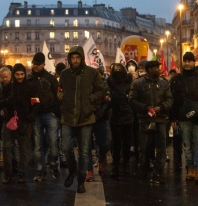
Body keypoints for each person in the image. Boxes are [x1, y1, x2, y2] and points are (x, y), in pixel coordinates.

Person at [59, 46, 107, 193]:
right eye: (72, 58)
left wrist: (90, 100)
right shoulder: (65, 74)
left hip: (86, 117)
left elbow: (102, 89)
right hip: (68, 116)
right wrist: (62, 98)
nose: (75, 60)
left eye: (77, 57)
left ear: (81, 58)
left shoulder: (91, 73)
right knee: (66, 147)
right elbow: (60, 90)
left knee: (85, 151)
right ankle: (73, 170)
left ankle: (81, 180)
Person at [129, 60, 174, 184]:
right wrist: (145, 108)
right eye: (156, 68)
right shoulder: (138, 84)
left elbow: (170, 99)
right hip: (144, 120)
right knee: (144, 148)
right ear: (149, 70)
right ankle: (143, 171)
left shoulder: (164, 84)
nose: (159, 70)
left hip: (160, 120)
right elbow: (132, 100)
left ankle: (157, 173)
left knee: (161, 149)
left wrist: (161, 108)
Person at [169, 52, 198, 182]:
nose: (187, 63)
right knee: (187, 144)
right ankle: (190, 169)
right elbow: (172, 100)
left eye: (190, 61)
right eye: (185, 61)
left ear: (194, 62)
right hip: (183, 118)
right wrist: (173, 118)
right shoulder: (176, 80)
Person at [0, 64, 40, 184]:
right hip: (9, 122)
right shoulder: (7, 88)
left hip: (25, 122)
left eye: (22, 74)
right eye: (17, 74)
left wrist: (31, 116)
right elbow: (0, 103)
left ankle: (22, 173)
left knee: (24, 150)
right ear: (13, 75)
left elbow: (36, 103)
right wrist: (6, 105)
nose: (20, 77)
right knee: (6, 148)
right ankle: (8, 173)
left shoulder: (31, 87)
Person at [28, 52, 61, 181]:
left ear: (43, 64)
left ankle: (53, 164)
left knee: (53, 143)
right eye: (34, 64)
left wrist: (56, 112)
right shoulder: (29, 78)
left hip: (50, 113)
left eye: (38, 64)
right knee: (38, 146)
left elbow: (58, 96)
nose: (35, 66)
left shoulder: (50, 78)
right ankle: (40, 171)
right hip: (36, 115)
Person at [107, 63, 134, 178]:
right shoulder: (110, 81)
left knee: (126, 141)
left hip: (127, 114)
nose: (117, 71)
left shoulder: (129, 80)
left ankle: (126, 163)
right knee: (116, 142)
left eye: (119, 69)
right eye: (115, 69)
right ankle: (115, 165)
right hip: (116, 113)